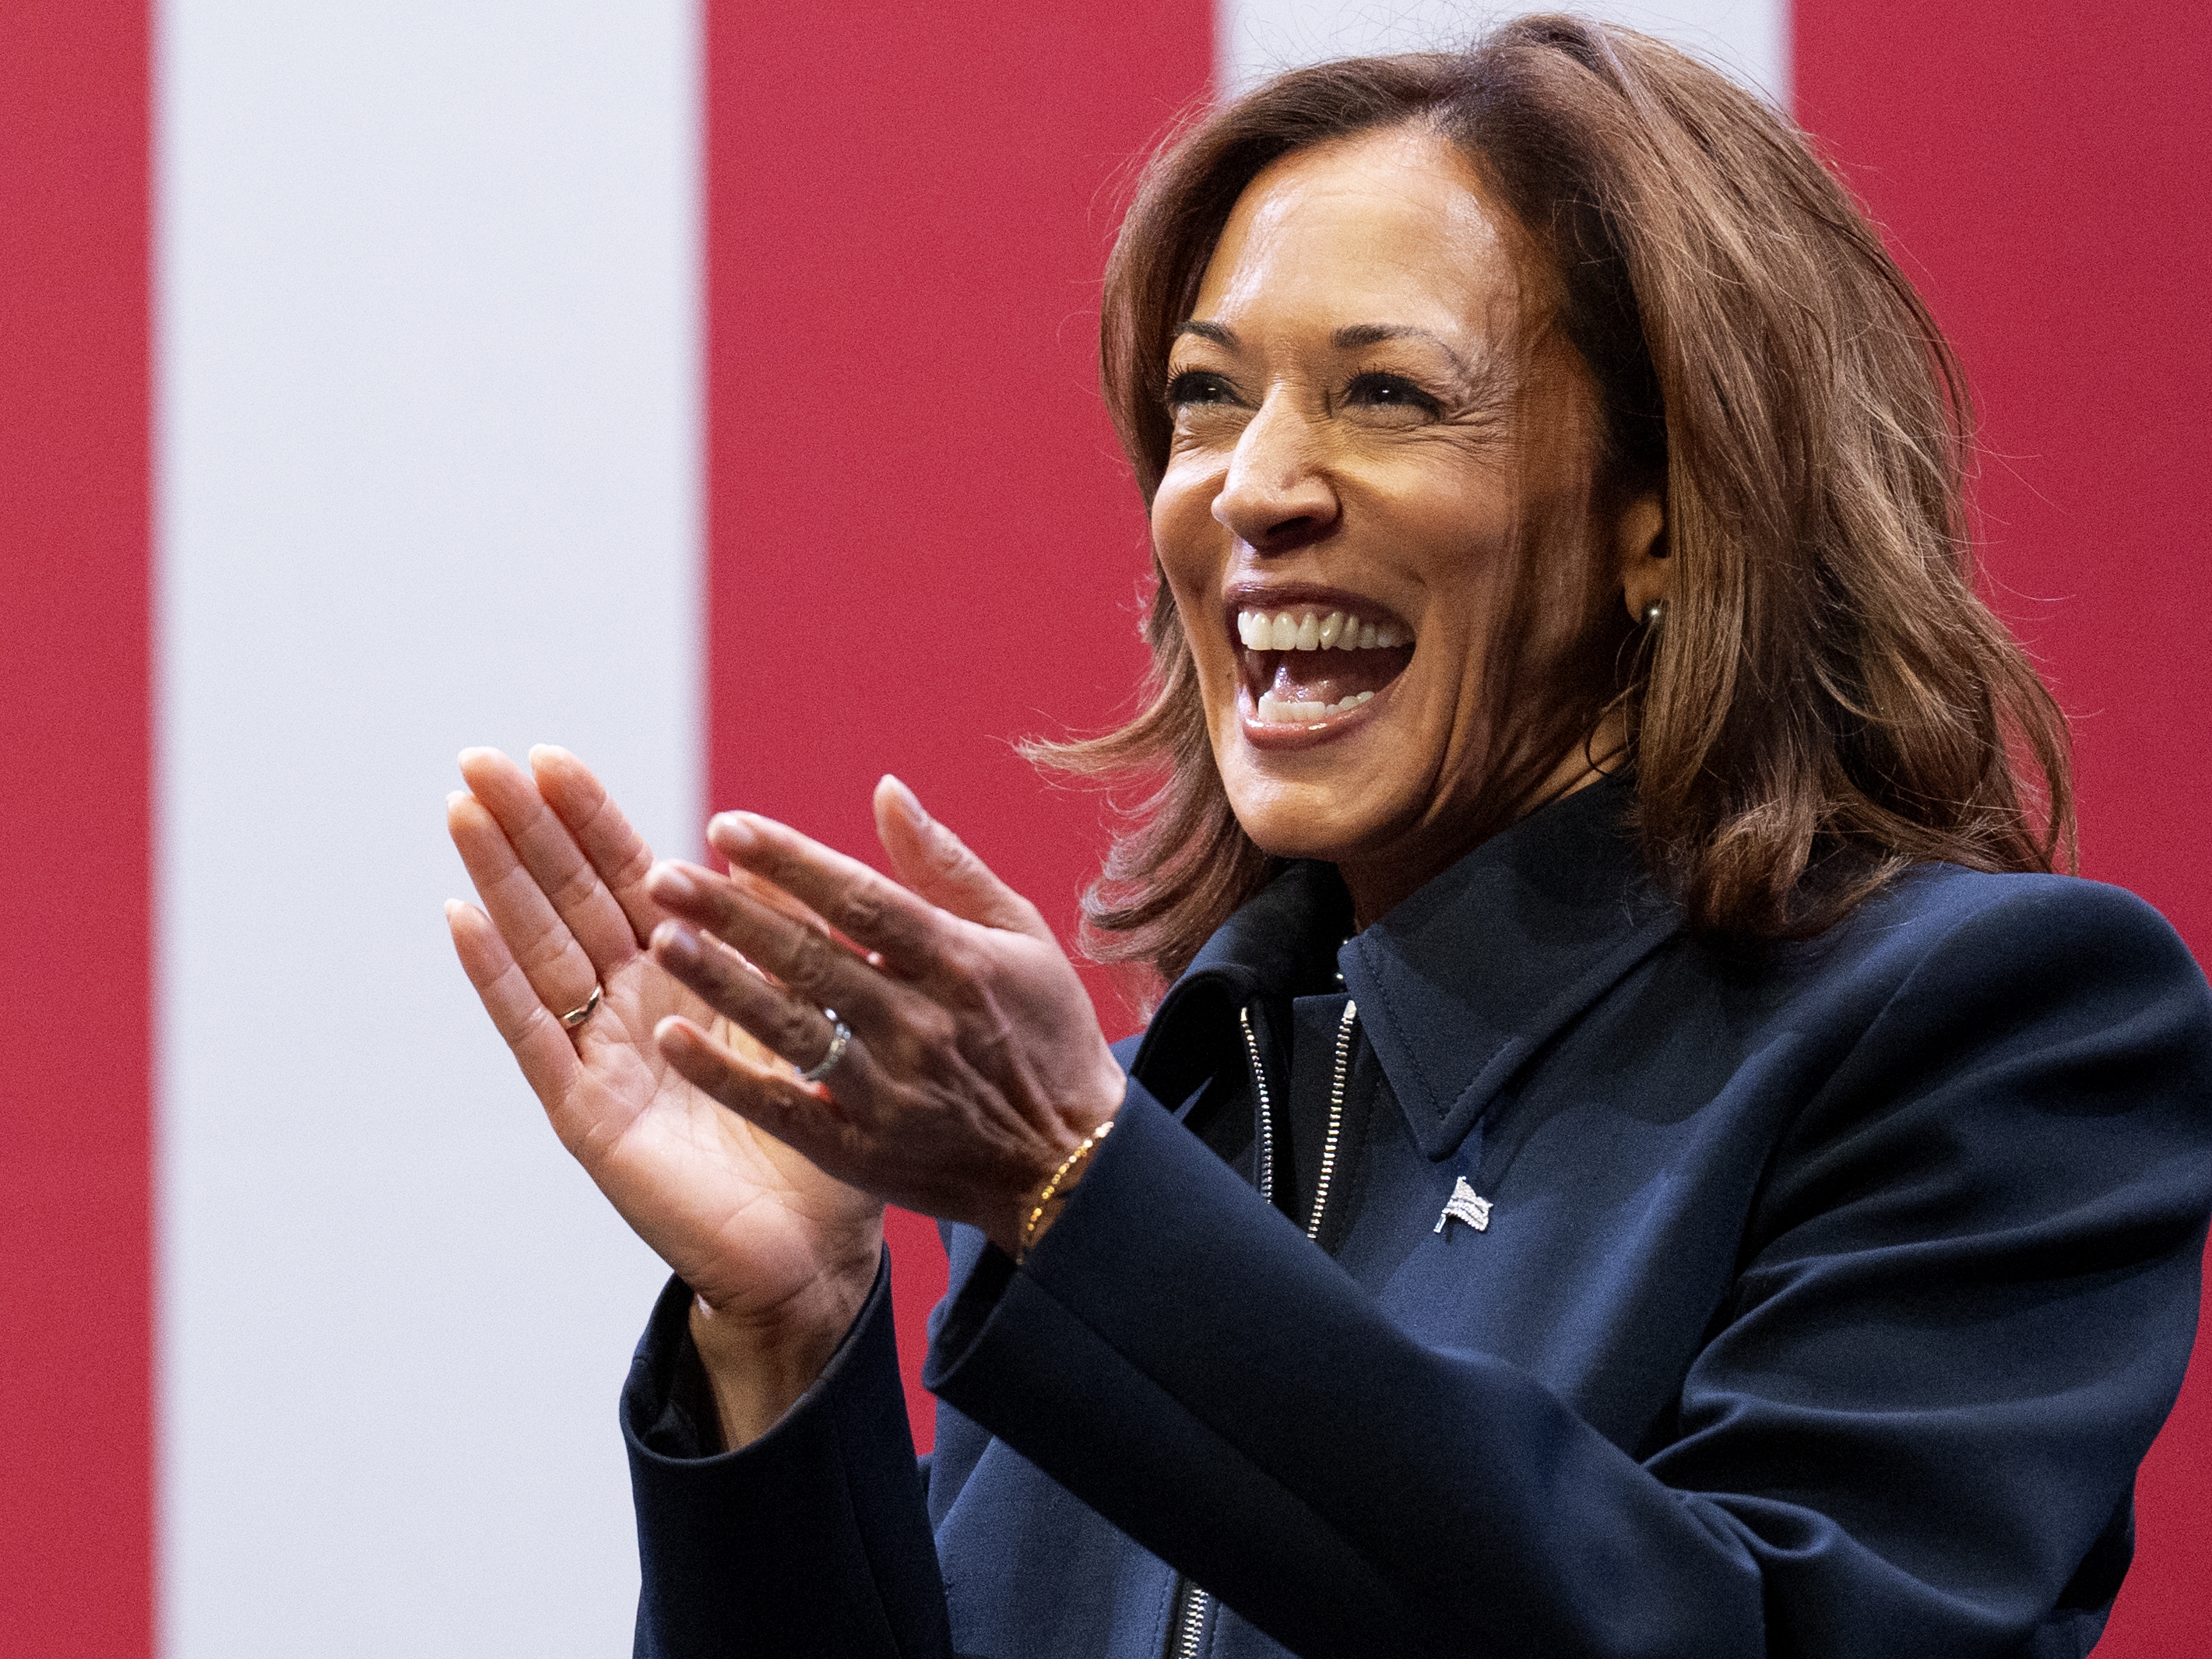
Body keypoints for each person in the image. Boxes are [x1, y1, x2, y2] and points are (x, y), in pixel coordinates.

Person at [445, 16, 2212, 1658]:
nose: (1252, 488)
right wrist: (786, 1330)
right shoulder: (1138, 1133)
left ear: (1666, 517)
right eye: (1208, 397)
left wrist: (1081, 1197)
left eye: (1386, 396)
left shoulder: (1990, 1031)